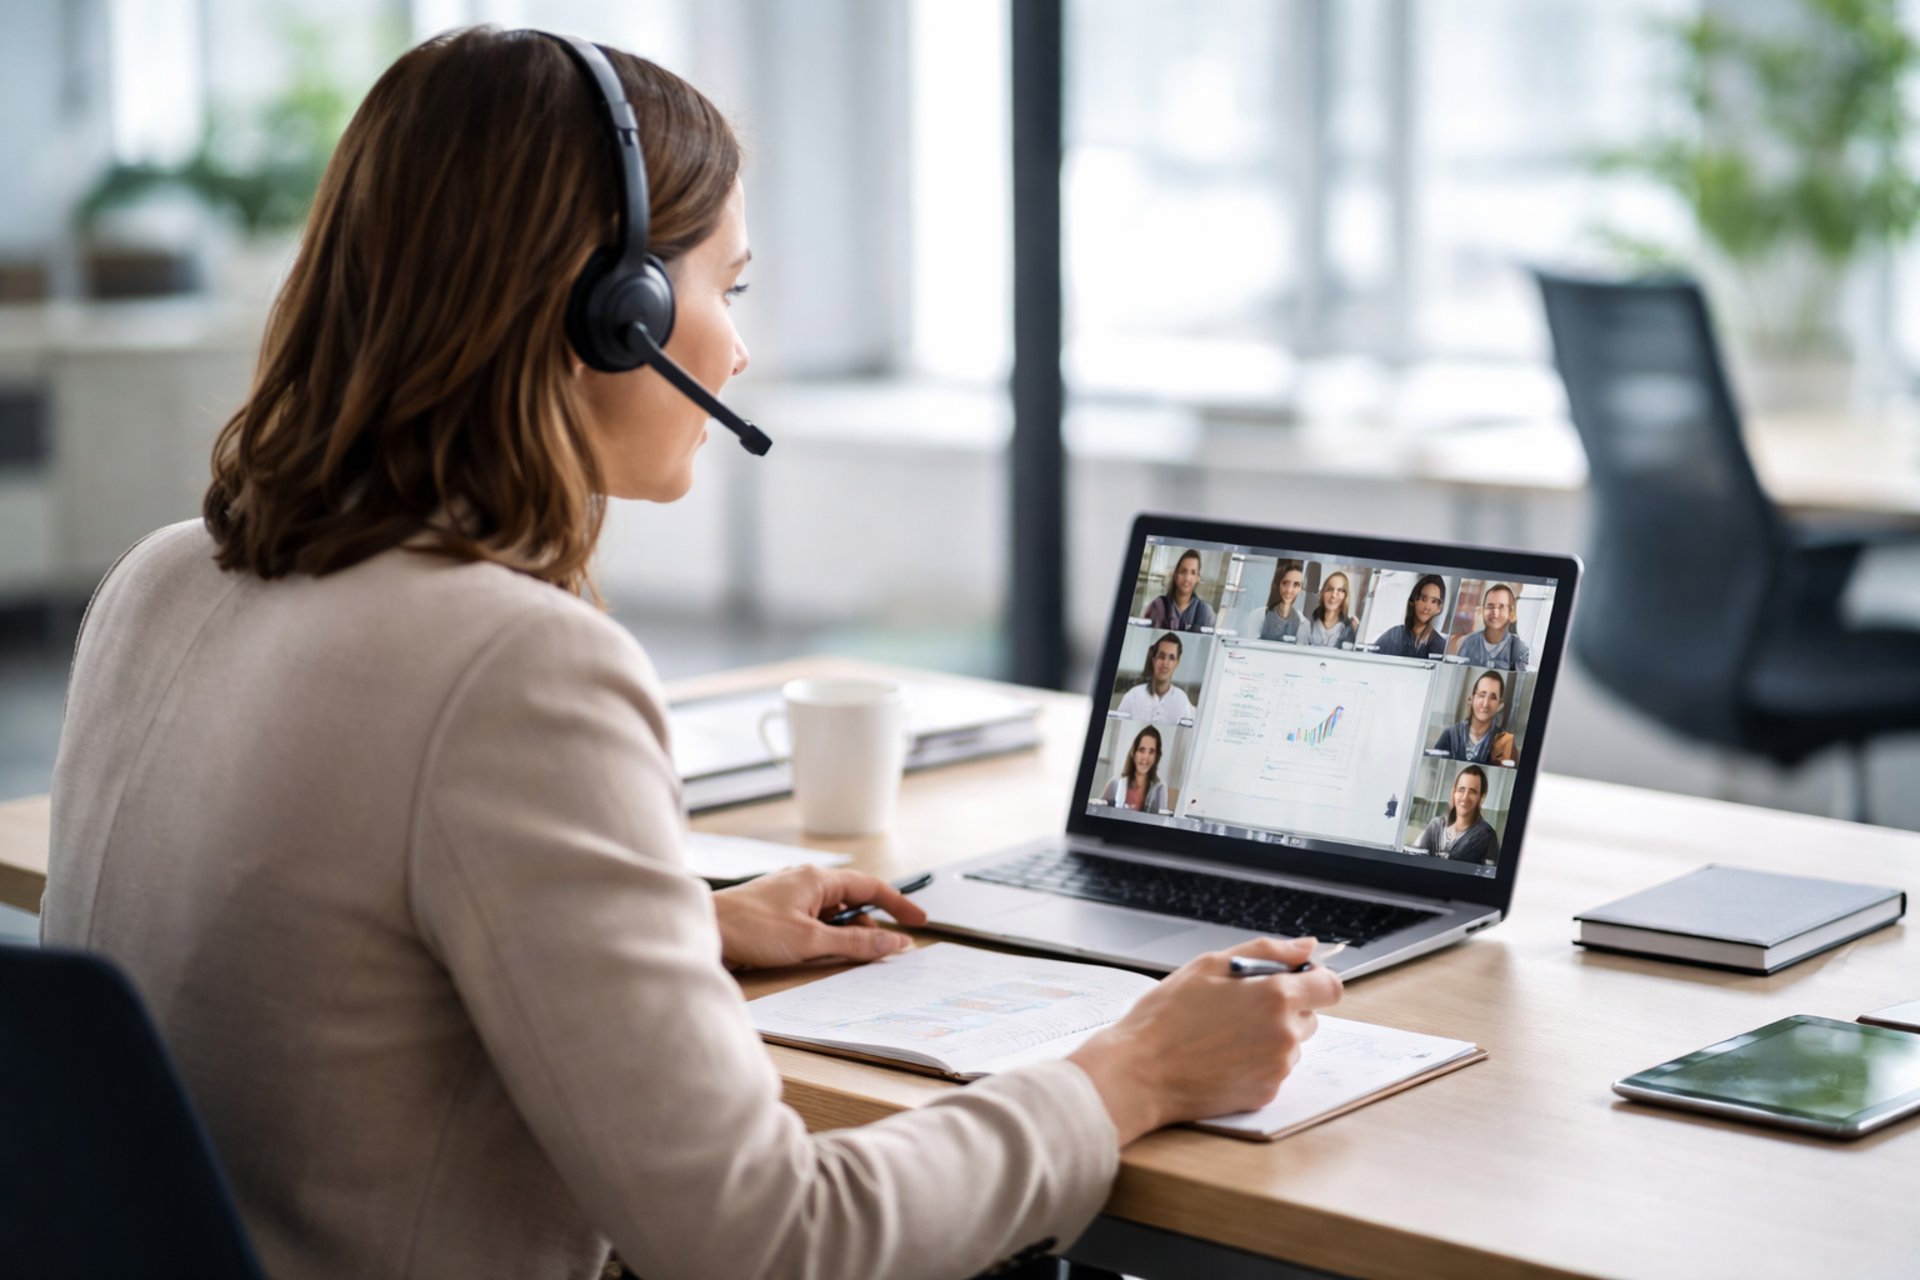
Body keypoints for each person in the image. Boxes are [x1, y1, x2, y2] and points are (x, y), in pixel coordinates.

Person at [38, 29, 1344, 1280]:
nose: (739, 345)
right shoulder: (509, 664)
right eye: (729, 286)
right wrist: (1134, 1075)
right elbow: (774, 1243)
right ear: (617, 312)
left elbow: (317, 970)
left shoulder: (163, 578)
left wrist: (681, 932)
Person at [1409, 765, 1502, 866]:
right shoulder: (1436, 826)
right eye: (1461, 789)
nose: (1465, 797)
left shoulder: (1486, 835)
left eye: (1472, 792)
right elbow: (1415, 859)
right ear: (1454, 792)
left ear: (1482, 797)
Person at [1430, 670, 1516, 765]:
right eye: (1482, 695)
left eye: (1493, 698)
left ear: (1500, 705)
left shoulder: (1504, 742)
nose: (1485, 704)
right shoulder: (1450, 734)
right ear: (1471, 699)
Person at [1117, 632, 1195, 724]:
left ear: (1177, 662)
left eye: (1171, 658)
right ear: (1154, 660)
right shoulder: (1132, 696)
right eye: (1161, 657)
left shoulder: (1182, 701)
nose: (1165, 664)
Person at [1454, 583, 1531, 670]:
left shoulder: (1520, 649)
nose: (1495, 613)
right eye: (1490, 606)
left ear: (1511, 613)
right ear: (1482, 610)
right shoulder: (1467, 643)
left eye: (1501, 607)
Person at [1372, 574, 1447, 659]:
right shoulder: (1393, 636)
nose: (1427, 607)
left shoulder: (1441, 646)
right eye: (1423, 599)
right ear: (1413, 600)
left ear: (1439, 608)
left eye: (1433, 601)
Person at [1099, 725, 1169, 812]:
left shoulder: (1160, 789)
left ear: (1156, 756)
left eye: (1151, 752)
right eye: (1142, 750)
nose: (1145, 757)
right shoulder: (1114, 784)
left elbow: (1161, 823)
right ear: (1133, 753)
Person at [1142, 548, 1216, 631]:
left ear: (1197, 578)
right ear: (1175, 574)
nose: (1187, 578)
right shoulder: (1157, 606)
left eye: (1193, 573)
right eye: (1183, 571)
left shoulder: (1206, 612)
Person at [1306, 569, 1358, 648]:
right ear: (1322, 593)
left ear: (1345, 596)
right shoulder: (1308, 623)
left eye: (1339, 590)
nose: (1333, 595)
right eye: (1329, 589)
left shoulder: (1348, 629)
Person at [1258, 559, 1306, 641]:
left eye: (1296, 585)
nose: (1289, 590)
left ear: (1300, 589)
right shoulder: (1259, 616)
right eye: (1285, 583)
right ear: (1278, 584)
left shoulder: (1301, 622)